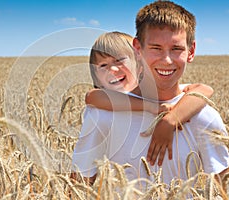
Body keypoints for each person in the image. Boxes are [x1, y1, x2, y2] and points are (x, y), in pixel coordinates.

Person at [71, 1, 229, 187]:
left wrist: (169, 120)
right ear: (137, 48)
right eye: (156, 48)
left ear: (191, 51)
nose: (167, 60)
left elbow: (226, 187)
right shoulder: (102, 113)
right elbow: (77, 187)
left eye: (176, 49)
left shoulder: (204, 117)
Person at [85, 31, 214, 167]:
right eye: (103, 65)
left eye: (120, 60)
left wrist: (170, 120)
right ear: (95, 74)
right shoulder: (101, 106)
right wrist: (153, 107)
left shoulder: (161, 93)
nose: (113, 69)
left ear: (140, 63)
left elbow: (205, 90)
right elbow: (91, 96)